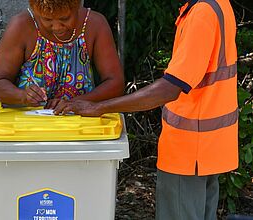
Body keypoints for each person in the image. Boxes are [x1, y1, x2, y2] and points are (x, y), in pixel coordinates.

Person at [54, 0, 238, 219]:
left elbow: (170, 88)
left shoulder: (201, 14)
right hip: (210, 147)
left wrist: (100, 107)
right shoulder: (219, 4)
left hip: (190, 150)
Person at [0, 0, 124, 107]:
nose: (57, 27)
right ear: (35, 11)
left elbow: (115, 83)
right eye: (47, 19)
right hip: (25, 126)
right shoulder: (21, 26)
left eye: (65, 18)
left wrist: (76, 103)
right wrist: (22, 96)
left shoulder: (94, 24)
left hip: (79, 125)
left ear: (76, 6)